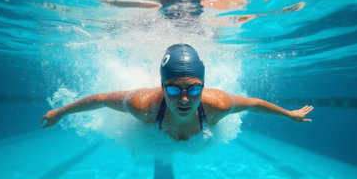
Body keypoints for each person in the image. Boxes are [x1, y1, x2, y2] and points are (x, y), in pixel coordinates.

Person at [41, 44, 313, 141]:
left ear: (203, 87)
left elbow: (253, 103)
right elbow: (101, 99)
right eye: (173, 88)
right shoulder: (144, 105)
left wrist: (289, 115)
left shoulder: (216, 105)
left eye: (194, 88)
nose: (184, 98)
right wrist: (60, 112)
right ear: (162, 87)